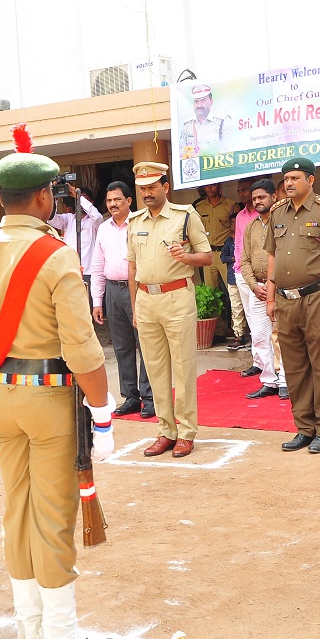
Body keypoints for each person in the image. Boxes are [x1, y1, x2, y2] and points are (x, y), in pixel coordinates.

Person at [0, 133, 121, 639]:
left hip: (0, 397)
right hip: (49, 398)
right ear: (43, 197)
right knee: (52, 518)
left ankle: (32, 634)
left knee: (18, 511)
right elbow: (82, 349)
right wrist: (103, 415)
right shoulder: (55, 255)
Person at [267, 156, 320, 454]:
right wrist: (270, 296)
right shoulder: (277, 212)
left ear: (310, 180)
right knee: (294, 367)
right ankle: (304, 428)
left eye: (295, 178)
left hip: (318, 296)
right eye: (286, 179)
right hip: (285, 299)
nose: (289, 183)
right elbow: (273, 255)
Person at [127, 161, 212, 457]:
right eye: (142, 189)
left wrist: (185, 257)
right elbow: (132, 267)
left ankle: (186, 432)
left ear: (165, 187)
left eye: (152, 187)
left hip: (176, 297)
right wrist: (134, 306)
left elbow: (207, 256)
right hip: (146, 300)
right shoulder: (135, 221)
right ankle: (166, 431)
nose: (147, 193)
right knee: (155, 369)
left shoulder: (185, 216)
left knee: (183, 367)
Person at [89, 181, 154, 419]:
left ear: (128, 201)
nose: (113, 204)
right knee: (121, 346)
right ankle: (131, 397)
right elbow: (97, 265)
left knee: (146, 343)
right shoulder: (103, 229)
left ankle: (150, 397)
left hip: (138, 288)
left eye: (117, 199)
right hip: (113, 291)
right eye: (109, 201)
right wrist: (97, 301)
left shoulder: (141, 223)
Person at [238, 179, 288, 399]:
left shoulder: (285, 222)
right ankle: (269, 380)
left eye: (261, 197)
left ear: (274, 197)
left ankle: (285, 380)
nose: (257, 201)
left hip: (280, 287)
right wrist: (253, 285)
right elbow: (244, 260)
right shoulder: (252, 226)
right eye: (254, 198)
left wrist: (272, 283)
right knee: (259, 336)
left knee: (283, 335)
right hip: (257, 289)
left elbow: (287, 255)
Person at [193, 181, 237, 340]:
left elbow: (237, 228)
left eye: (213, 185)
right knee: (212, 293)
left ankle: (238, 330)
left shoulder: (231, 205)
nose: (209, 188)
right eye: (207, 186)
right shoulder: (199, 207)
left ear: (220, 186)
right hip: (208, 254)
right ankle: (218, 331)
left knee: (234, 292)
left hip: (226, 253)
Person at [48, 186, 102, 281]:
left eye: (84, 200)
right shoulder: (68, 219)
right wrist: (53, 196)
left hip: (88, 273)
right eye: (78, 199)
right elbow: (51, 219)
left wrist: (77, 195)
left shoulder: (94, 222)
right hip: (69, 271)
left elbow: (97, 217)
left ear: (91, 203)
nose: (81, 203)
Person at [226, 177, 255, 350]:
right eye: (239, 191)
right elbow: (237, 242)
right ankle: (257, 350)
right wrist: (237, 266)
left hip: (259, 271)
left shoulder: (263, 213)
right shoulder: (239, 216)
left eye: (244, 190)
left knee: (262, 313)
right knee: (248, 311)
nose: (241, 194)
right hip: (241, 270)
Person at [177, 83, 231, 159]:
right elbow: (181, 153)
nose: (199, 105)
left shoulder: (222, 121)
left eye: (203, 100)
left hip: (216, 164)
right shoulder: (187, 125)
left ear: (211, 102)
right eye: (196, 101)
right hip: (194, 165)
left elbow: (229, 149)